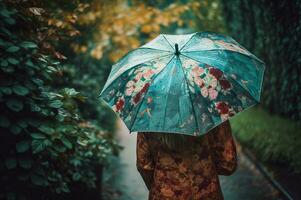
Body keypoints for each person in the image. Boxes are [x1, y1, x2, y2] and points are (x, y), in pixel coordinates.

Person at [136, 119, 237, 200]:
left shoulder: (149, 117)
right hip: (207, 194)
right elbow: (228, 163)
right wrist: (206, 172)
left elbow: (144, 165)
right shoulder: (211, 113)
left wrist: (160, 185)